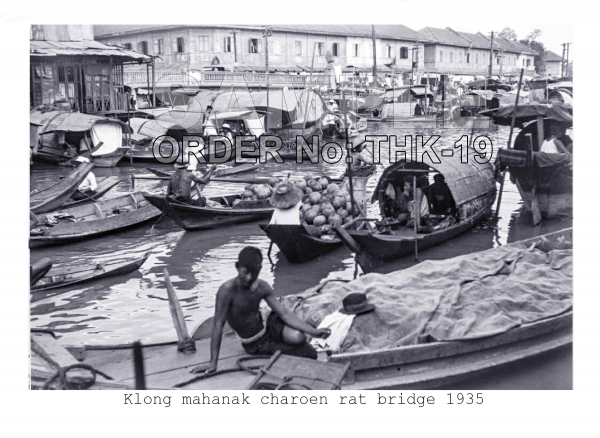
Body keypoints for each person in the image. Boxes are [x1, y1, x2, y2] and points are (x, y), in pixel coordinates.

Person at [193, 246, 331, 374]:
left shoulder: (262, 287)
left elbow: (284, 314)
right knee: (309, 352)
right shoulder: (227, 291)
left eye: (254, 273)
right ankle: (285, 344)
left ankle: (297, 338)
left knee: (298, 337)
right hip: (256, 342)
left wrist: (314, 332)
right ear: (237, 267)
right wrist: (213, 363)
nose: (249, 278)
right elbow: (218, 325)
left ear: (259, 269)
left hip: (269, 323)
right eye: (245, 273)